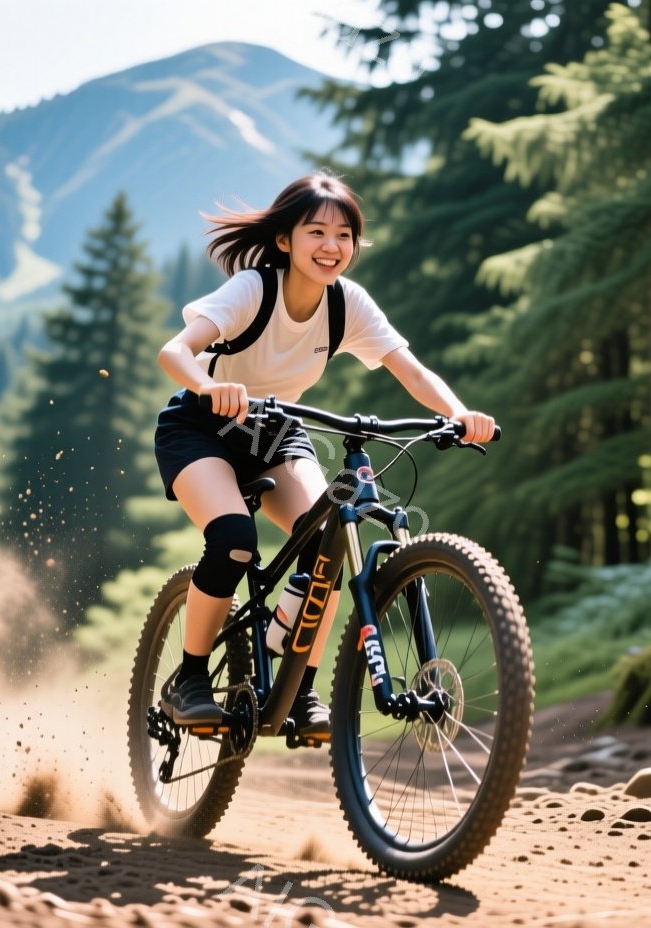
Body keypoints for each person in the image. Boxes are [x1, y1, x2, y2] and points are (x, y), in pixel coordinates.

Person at [153, 169, 496, 737]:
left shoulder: (347, 306)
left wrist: (459, 414)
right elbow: (174, 351)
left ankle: (299, 687)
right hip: (202, 427)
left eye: (344, 236)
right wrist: (209, 386)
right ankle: (189, 679)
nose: (332, 246)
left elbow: (408, 370)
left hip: (276, 434)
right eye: (316, 232)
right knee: (235, 540)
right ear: (285, 239)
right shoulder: (253, 290)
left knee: (329, 543)